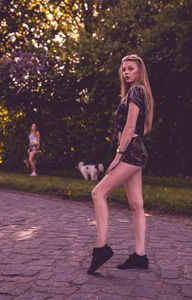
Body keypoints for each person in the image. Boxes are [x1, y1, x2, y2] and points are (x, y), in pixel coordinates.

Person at [87, 54, 154, 274]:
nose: (126, 72)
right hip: (135, 152)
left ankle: (101, 248)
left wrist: (118, 156)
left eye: (131, 69)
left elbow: (131, 128)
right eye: (124, 69)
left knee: (98, 193)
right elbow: (141, 129)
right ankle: (140, 256)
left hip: (130, 154)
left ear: (139, 71)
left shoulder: (136, 91)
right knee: (136, 204)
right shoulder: (136, 93)